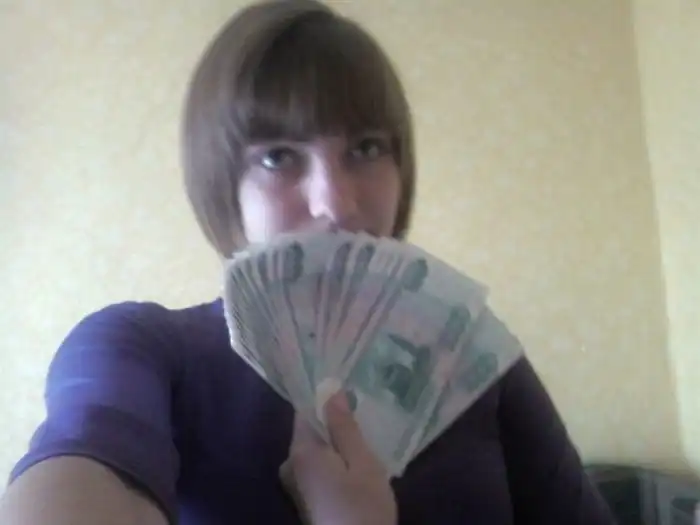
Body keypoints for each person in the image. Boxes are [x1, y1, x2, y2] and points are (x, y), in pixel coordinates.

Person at [0, 1, 617, 524]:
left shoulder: (471, 359)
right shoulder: (147, 351)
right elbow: (79, 463)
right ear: (224, 187)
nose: (336, 203)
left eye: (366, 148)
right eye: (278, 157)